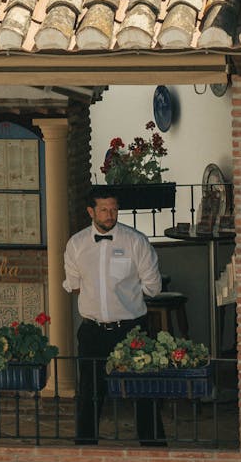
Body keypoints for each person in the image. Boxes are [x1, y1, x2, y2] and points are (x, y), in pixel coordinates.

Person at [63, 185, 166, 446]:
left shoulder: (136, 241)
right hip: (93, 330)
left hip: (131, 330)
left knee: (144, 391)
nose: (110, 214)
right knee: (89, 393)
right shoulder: (76, 244)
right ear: (91, 211)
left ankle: (154, 447)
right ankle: (85, 448)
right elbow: (74, 285)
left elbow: (152, 286)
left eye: (114, 209)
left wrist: (126, 297)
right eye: (104, 209)